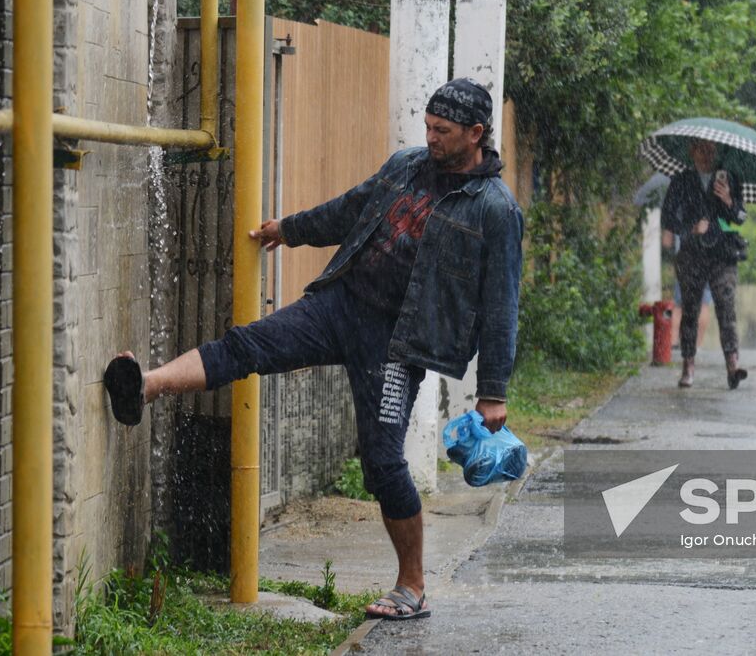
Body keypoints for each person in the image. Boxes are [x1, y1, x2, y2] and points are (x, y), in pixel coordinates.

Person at [102, 78, 523, 621]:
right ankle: (146, 385)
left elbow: (500, 306)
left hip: (398, 344)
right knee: (248, 344)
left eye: (442, 131)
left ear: (476, 133)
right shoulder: (406, 165)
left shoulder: (495, 209)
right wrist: (291, 229)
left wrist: (493, 392)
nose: (431, 137)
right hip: (339, 306)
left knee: (382, 462)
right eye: (428, 126)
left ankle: (411, 587)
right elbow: (350, 210)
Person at [660, 139, 749, 389]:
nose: (707, 154)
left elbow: (741, 216)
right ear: (692, 151)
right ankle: (688, 364)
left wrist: (729, 200)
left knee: (726, 305)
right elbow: (668, 217)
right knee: (690, 309)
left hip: (723, 253)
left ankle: (733, 364)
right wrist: (691, 229)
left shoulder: (728, 178)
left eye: (711, 150)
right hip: (692, 253)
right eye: (702, 149)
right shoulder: (681, 180)